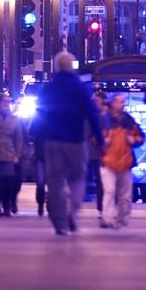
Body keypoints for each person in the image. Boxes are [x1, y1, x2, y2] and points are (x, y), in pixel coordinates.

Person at [34, 51, 103, 235]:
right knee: (78, 178)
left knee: (55, 181)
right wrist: (99, 138)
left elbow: (40, 113)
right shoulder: (80, 88)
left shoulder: (49, 87)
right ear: (71, 66)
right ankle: (73, 210)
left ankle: (59, 222)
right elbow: (92, 114)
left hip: (54, 139)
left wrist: (35, 135)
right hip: (76, 139)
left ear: (56, 66)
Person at [99, 95, 144, 230]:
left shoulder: (129, 121)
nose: (122, 104)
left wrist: (134, 140)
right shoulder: (105, 121)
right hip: (108, 162)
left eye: (123, 102)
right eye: (119, 102)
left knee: (125, 196)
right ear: (113, 103)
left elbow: (140, 137)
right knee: (110, 191)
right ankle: (106, 219)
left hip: (125, 163)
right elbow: (94, 137)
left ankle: (122, 219)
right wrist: (102, 142)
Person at [88, 90, 108, 215]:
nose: (94, 103)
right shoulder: (93, 116)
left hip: (110, 153)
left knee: (108, 181)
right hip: (97, 153)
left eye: (96, 101)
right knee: (100, 181)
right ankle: (102, 207)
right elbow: (88, 132)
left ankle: (107, 205)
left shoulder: (109, 116)